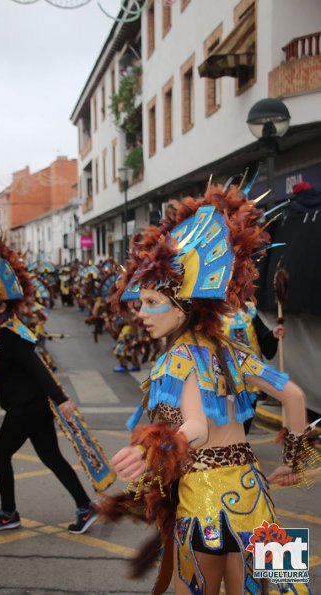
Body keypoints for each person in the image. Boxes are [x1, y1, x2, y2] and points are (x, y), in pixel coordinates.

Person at [101, 185, 314, 594]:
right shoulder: (234, 350)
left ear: (183, 303)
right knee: (273, 588)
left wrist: (154, 450)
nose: (140, 313)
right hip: (254, 494)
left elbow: (196, 425)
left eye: (149, 302)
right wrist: (296, 462)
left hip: (206, 503)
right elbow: (294, 395)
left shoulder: (176, 358)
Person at [0, 236, 102, 535]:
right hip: (32, 405)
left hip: (27, 407)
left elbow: (36, 366)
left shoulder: (9, 334)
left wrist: (61, 398)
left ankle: (9, 513)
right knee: (50, 456)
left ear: (1, 304)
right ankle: (85, 506)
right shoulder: (4, 327)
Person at [220, 302, 285, 433]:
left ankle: (240, 451)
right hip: (224, 383)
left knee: (243, 429)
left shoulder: (249, 311)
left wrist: (273, 335)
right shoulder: (214, 312)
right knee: (225, 430)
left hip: (250, 384)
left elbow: (262, 337)